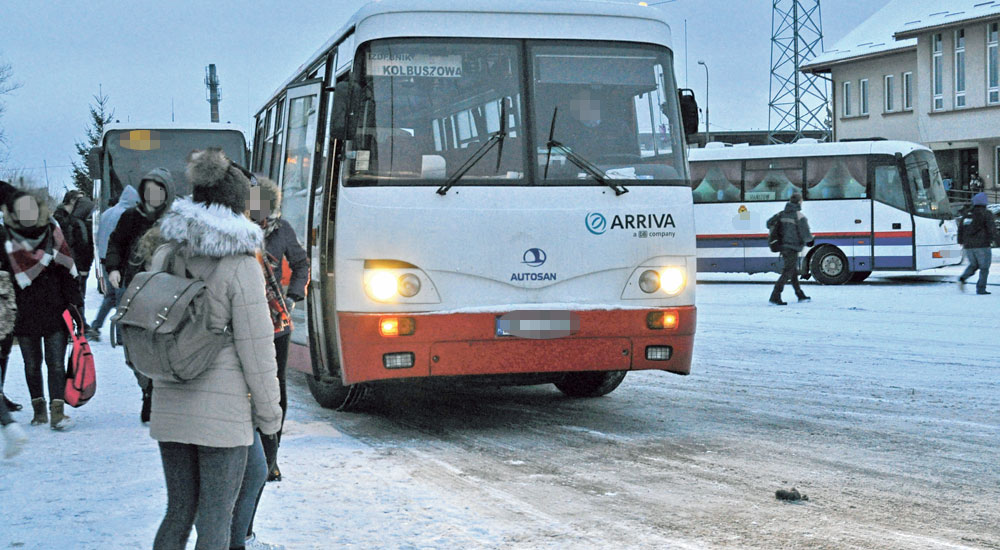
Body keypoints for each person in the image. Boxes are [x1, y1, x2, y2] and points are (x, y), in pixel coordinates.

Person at [150, 148, 282, 550]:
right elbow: (257, 351)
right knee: (216, 518)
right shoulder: (240, 264)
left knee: (178, 511)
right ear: (239, 204)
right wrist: (269, 415)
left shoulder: (166, 252)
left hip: (171, 400)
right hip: (222, 415)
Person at [0, 187, 83, 430]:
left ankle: (57, 412)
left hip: (54, 308)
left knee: (55, 363)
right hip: (24, 311)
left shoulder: (53, 232)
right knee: (31, 364)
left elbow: (68, 270)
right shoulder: (7, 238)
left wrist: (75, 305)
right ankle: (39, 411)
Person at [247, 176, 308, 482]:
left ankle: (271, 457)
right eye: (252, 201)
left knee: (276, 387)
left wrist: (295, 294)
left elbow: (301, 263)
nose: (258, 209)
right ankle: (250, 454)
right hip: (243, 316)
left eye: (263, 203)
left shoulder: (282, 230)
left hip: (276, 320)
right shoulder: (236, 232)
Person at [105, 169, 175, 422]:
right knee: (133, 347)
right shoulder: (131, 217)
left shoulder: (175, 220)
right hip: (133, 288)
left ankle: (160, 394)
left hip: (167, 290)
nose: (153, 196)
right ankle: (147, 389)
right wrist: (113, 268)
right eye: (149, 191)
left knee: (162, 344)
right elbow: (115, 244)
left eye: (159, 191)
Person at [86, 185, 140, 341]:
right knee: (121, 299)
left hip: (104, 260)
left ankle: (96, 326)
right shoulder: (126, 214)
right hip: (119, 263)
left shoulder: (107, 213)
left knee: (110, 297)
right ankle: (120, 335)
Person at [53, 189, 95, 312]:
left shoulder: (74, 219)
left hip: (75, 266)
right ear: (72, 201)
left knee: (78, 298)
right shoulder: (62, 220)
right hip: (67, 267)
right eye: (80, 201)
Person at [768, 193, 814, 305]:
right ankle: (775, 295)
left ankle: (800, 294)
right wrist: (810, 241)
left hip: (783, 246)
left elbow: (768, 223)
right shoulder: (799, 216)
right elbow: (805, 234)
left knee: (792, 271)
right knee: (787, 272)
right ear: (799, 202)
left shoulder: (781, 214)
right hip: (793, 247)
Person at [958, 192, 998, 295]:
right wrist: (995, 239)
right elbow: (991, 229)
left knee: (974, 265)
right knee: (984, 268)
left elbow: (960, 228)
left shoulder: (967, 214)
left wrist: (961, 240)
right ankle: (981, 289)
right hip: (982, 245)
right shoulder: (986, 213)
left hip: (968, 245)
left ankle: (963, 278)